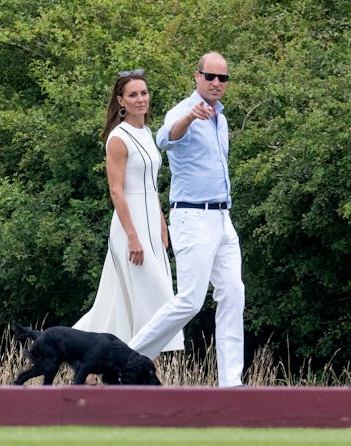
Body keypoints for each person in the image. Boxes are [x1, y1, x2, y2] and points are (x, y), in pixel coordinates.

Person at [128, 52, 245, 387]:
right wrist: (190, 119)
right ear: (197, 76)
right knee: (191, 300)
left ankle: (231, 383)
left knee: (233, 292)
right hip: (193, 216)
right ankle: (127, 356)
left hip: (222, 218)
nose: (217, 84)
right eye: (210, 77)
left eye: (223, 78)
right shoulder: (184, 111)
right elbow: (165, 138)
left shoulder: (220, 119)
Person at [73, 69, 184, 354]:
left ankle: (88, 352)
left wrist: (162, 224)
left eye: (144, 93)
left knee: (130, 301)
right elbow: (116, 191)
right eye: (133, 95)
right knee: (146, 297)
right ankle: (140, 361)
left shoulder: (146, 132)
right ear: (120, 101)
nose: (140, 99)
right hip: (129, 228)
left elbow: (151, 185)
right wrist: (132, 236)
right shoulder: (118, 138)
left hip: (151, 224)